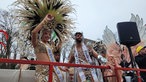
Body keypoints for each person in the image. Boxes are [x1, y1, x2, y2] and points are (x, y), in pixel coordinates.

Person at [31, 14, 65, 82]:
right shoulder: (37, 43)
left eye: (49, 34)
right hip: (42, 73)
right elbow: (34, 32)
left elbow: (53, 60)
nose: (48, 35)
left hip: (52, 72)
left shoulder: (49, 46)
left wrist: (61, 68)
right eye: (45, 33)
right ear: (41, 34)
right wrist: (45, 20)